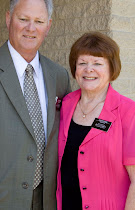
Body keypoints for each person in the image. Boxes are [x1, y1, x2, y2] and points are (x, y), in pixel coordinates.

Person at [0, 0, 71, 210]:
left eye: (39, 21)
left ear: (49, 26)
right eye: (23, 18)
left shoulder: (60, 77)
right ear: (8, 18)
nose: (30, 28)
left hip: (46, 203)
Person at [56, 32, 135, 210]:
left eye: (97, 63)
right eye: (82, 63)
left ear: (111, 69)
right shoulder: (66, 104)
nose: (88, 69)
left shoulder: (128, 112)